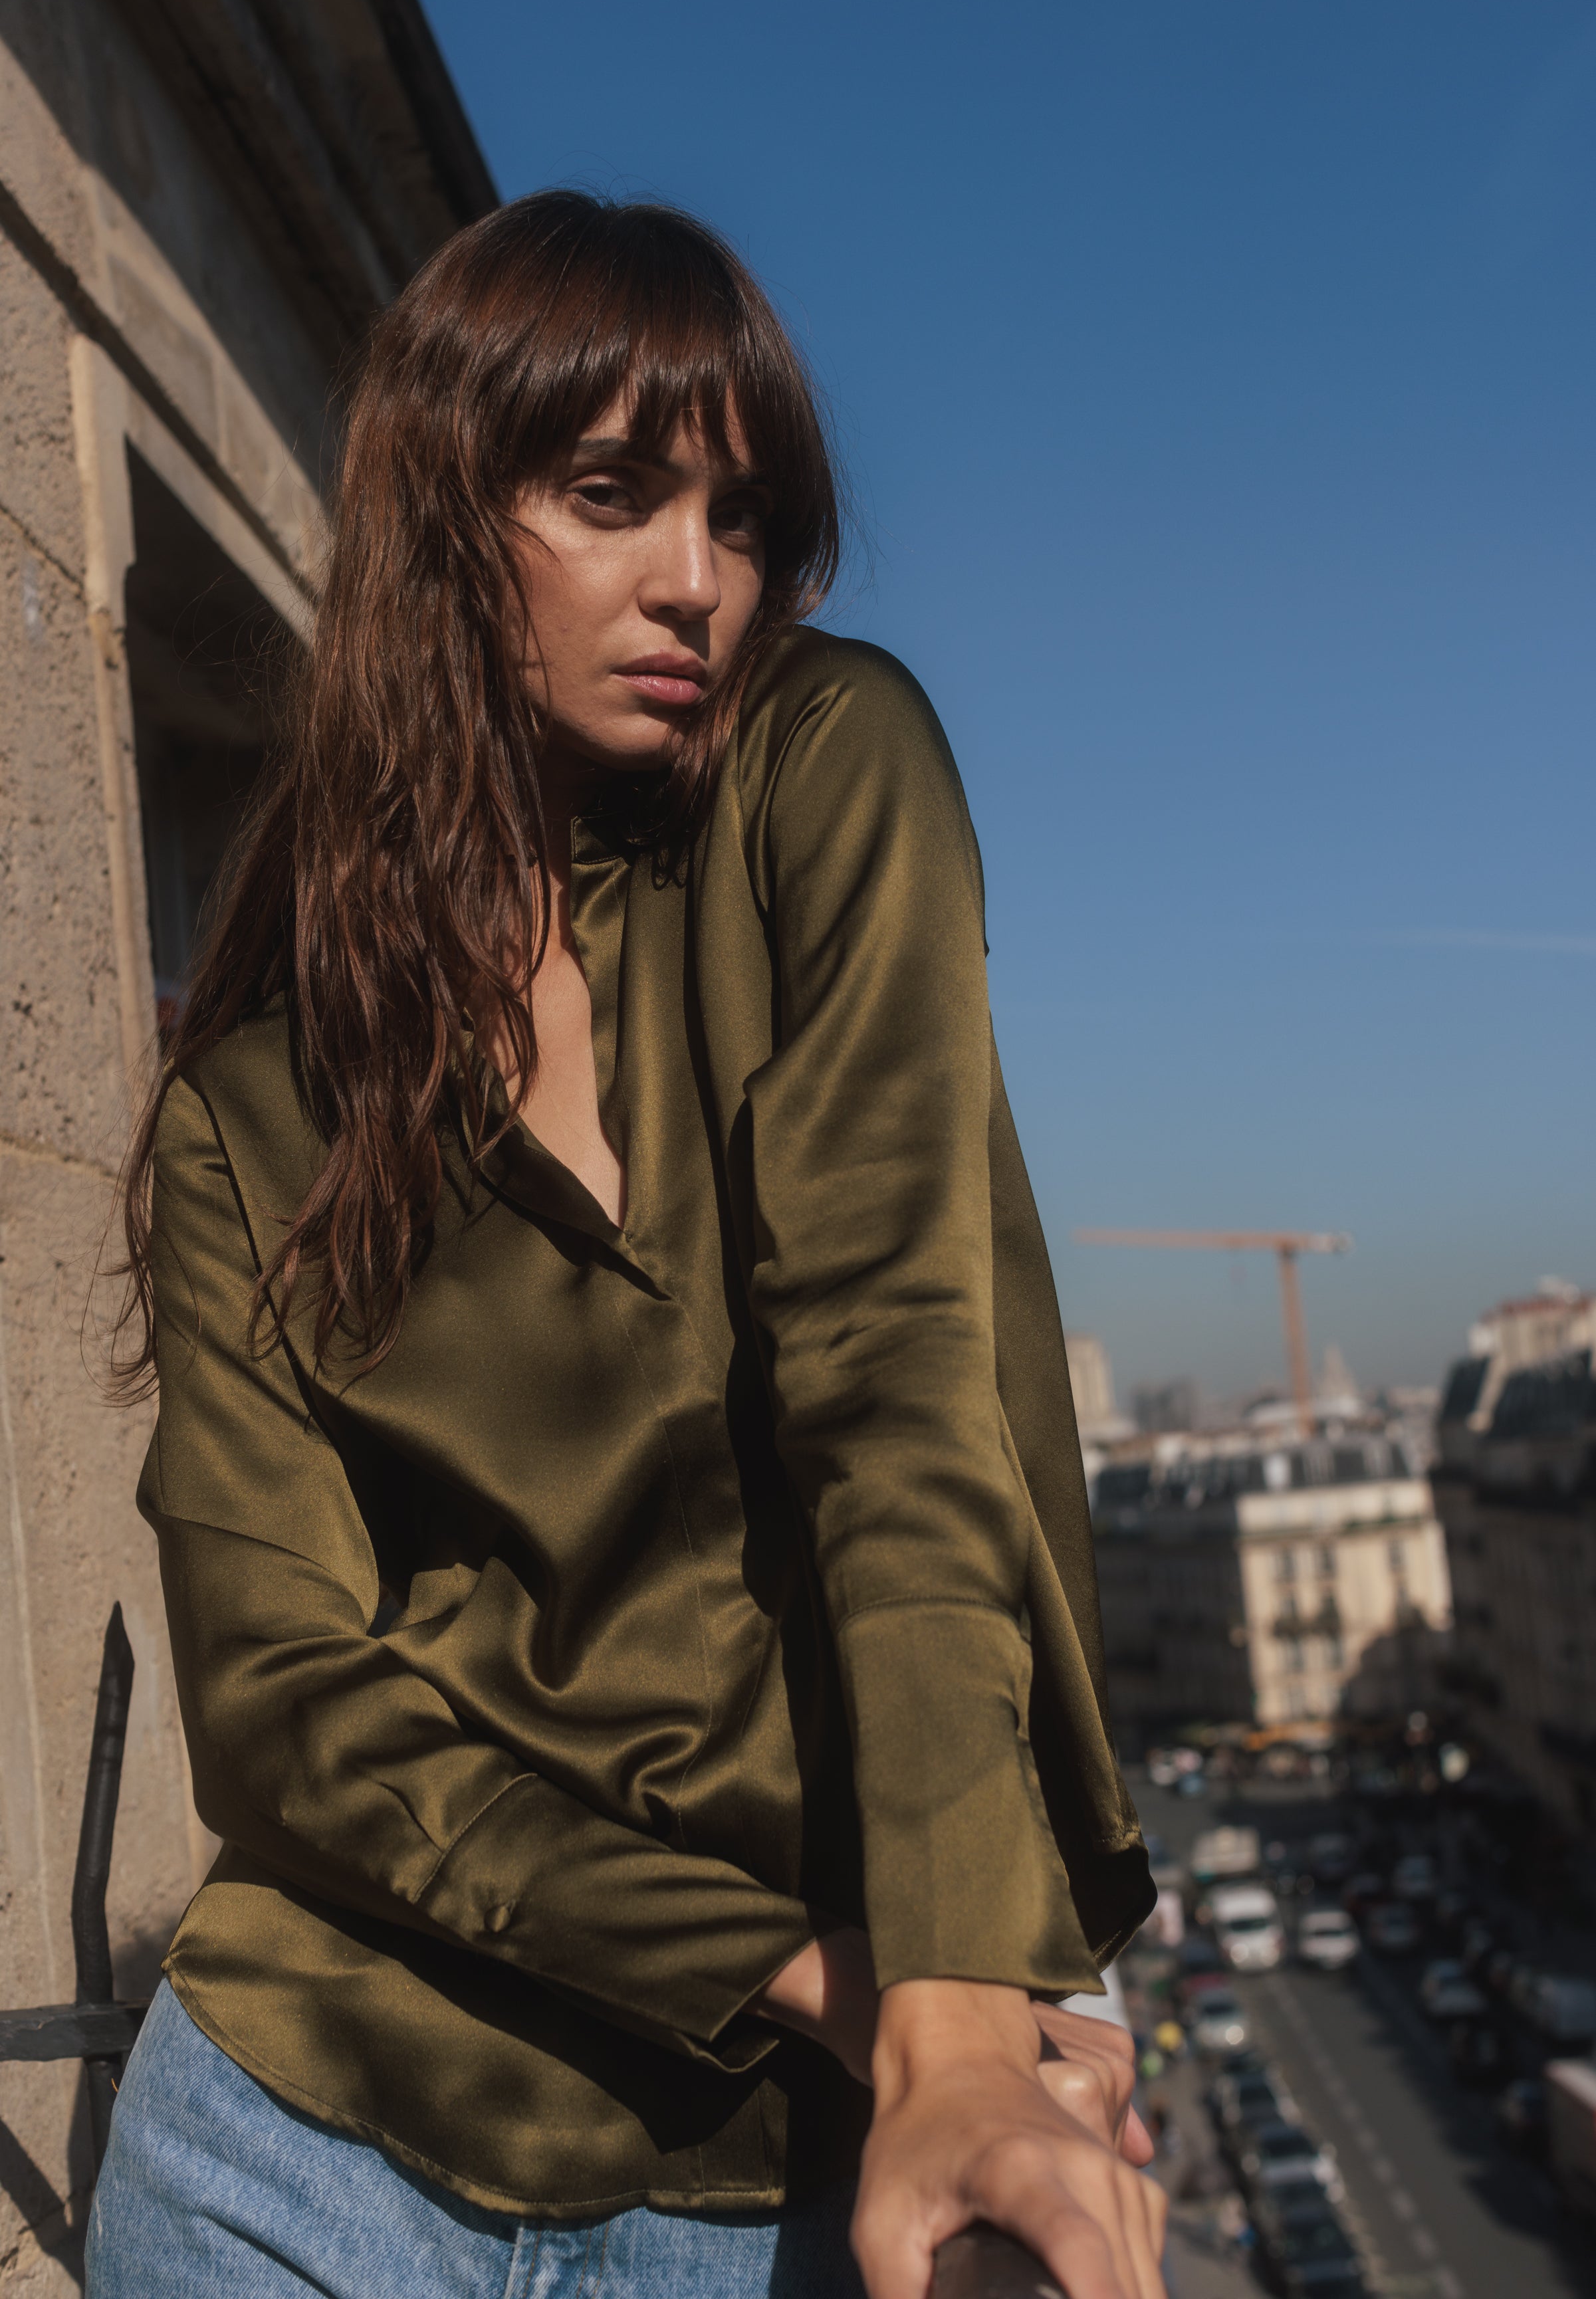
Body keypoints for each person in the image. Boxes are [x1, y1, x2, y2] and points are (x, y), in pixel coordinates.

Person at [89, 191, 1163, 2299]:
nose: (699, 582)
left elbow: (898, 1396)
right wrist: (817, 1976)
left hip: (777, 2193)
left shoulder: (824, 777)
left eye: (744, 520)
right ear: (441, 522)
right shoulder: (248, 1106)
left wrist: (949, 1998)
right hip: (292, 2139)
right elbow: (283, 1702)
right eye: (609, 495)